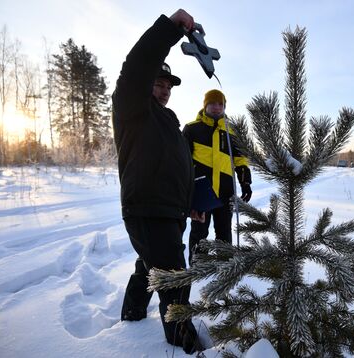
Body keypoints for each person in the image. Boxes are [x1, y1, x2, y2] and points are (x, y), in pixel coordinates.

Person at [112, 9, 203, 353]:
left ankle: (133, 314)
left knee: (147, 266)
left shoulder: (168, 120)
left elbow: (179, 166)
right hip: (147, 208)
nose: (164, 91)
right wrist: (169, 29)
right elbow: (137, 64)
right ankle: (185, 346)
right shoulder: (132, 109)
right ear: (145, 84)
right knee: (176, 281)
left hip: (170, 211)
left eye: (168, 87)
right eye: (158, 84)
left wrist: (191, 204)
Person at [182, 89, 252, 265]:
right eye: (212, 103)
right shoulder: (192, 129)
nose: (216, 107)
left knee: (224, 232)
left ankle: (225, 266)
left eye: (220, 104)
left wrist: (245, 182)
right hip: (201, 193)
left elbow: (240, 159)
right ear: (205, 105)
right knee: (199, 232)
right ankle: (197, 266)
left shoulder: (232, 133)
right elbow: (182, 162)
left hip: (225, 192)